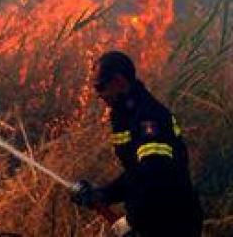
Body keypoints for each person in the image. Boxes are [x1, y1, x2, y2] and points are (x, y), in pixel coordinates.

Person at [71, 51, 204, 236]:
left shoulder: (148, 117)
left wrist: (133, 220)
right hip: (155, 217)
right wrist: (103, 194)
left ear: (118, 81)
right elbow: (137, 173)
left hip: (172, 221)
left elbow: (157, 174)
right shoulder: (124, 114)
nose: (98, 94)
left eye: (100, 87)